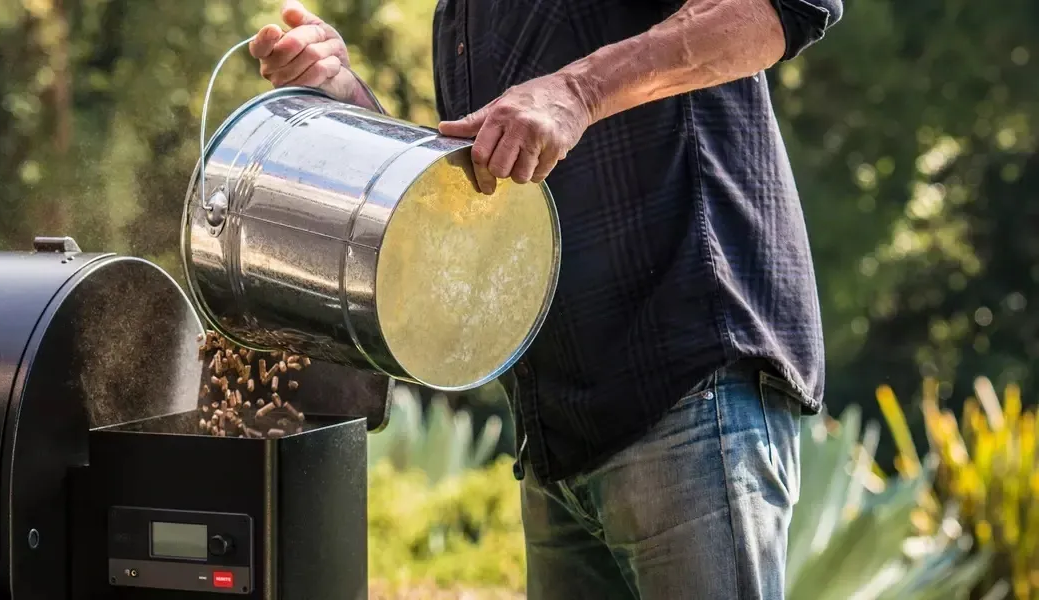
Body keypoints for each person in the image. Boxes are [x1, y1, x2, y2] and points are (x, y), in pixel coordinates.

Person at [247, 0, 840, 598]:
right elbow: (460, 201)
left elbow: (781, 9)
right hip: (556, 436)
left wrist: (577, 92)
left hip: (688, 392)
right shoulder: (462, 18)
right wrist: (347, 100)